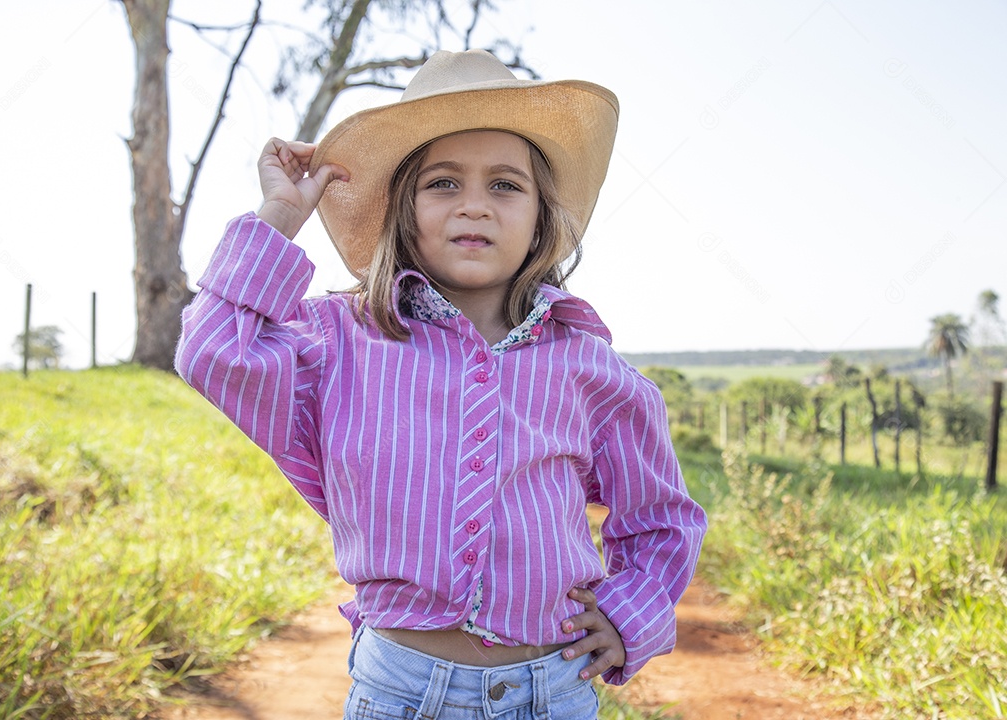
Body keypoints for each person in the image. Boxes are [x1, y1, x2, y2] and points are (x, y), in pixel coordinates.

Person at [175, 49, 707, 720]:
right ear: (403, 209)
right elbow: (214, 352)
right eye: (444, 183)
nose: (475, 207)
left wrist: (631, 614)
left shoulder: (587, 365)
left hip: (555, 691)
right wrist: (281, 212)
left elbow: (661, 516)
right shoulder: (339, 341)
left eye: (505, 185)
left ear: (542, 216)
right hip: (400, 691)